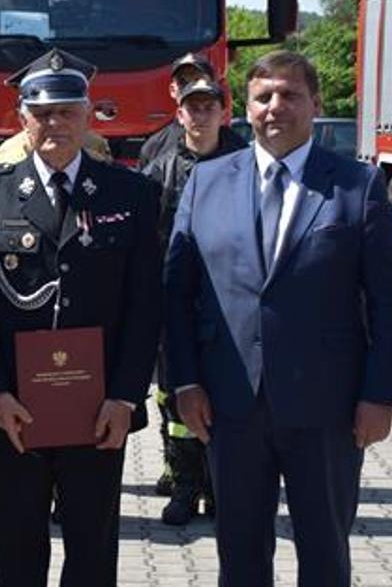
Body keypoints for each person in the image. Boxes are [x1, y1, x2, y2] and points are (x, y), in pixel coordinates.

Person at [163, 50, 392, 586]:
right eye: (263, 97)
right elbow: (177, 295)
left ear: (316, 104)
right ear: (244, 109)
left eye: (290, 95)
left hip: (328, 409)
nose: (276, 107)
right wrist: (183, 381)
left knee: (324, 556)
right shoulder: (206, 182)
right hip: (231, 404)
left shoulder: (357, 186)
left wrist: (381, 395)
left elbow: (391, 301)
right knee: (241, 557)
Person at [0, 49, 162, 585]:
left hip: (98, 412)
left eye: (67, 111)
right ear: (22, 119)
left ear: (89, 116)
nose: (55, 123)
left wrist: (125, 396)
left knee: (92, 556)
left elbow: (146, 305)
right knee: (16, 554)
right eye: (42, 113)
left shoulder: (131, 195)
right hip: (14, 412)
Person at [139, 75, 244, 526]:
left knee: (226, 392)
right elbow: (143, 238)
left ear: (224, 112)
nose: (200, 115)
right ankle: (184, 485)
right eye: (192, 107)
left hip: (228, 302)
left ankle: (221, 487)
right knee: (174, 395)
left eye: (208, 107)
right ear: (178, 113)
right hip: (174, 301)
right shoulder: (159, 168)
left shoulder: (245, 163)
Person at [138, 52, 222, 165]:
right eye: (183, 82)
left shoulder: (236, 147)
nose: (191, 87)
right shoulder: (155, 147)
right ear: (172, 90)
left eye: (197, 80)